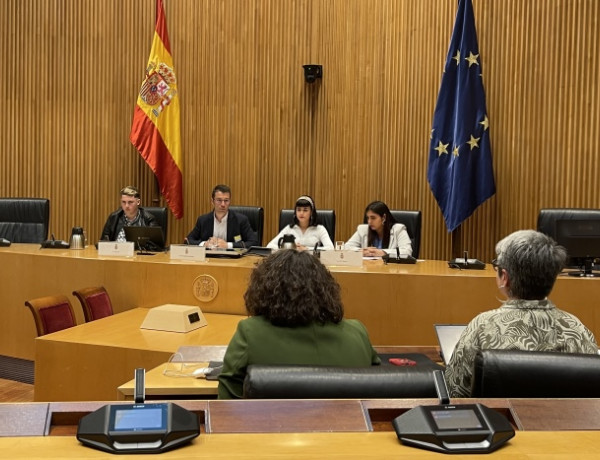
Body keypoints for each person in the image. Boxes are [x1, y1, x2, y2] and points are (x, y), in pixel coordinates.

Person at [445, 230, 598, 398]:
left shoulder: (481, 326)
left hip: (499, 422)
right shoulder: (576, 328)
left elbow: (455, 394)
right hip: (565, 423)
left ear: (505, 277)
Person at [217, 250, 381, 399]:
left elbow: (225, 404)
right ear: (326, 290)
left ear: (263, 290)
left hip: (271, 429)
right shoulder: (357, 333)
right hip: (349, 430)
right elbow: (379, 390)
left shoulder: (250, 332)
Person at [186, 184, 258, 248]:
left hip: (233, 260)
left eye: (226, 200)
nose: (223, 204)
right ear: (212, 201)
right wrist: (205, 244)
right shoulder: (203, 220)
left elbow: (254, 242)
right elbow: (188, 240)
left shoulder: (241, 220)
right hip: (209, 259)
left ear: (230, 201)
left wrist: (228, 245)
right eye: (219, 200)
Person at [345, 201, 412, 257]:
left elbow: (407, 252)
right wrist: (361, 251)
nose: (369, 222)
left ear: (383, 217)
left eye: (373, 218)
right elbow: (346, 248)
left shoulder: (398, 229)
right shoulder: (363, 229)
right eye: (368, 218)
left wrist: (383, 252)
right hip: (367, 269)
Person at [266, 195, 334, 250]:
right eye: (298, 210)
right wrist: (290, 248)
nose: (301, 213)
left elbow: (330, 249)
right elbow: (270, 246)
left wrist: (307, 249)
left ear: (311, 212)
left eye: (305, 210)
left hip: (312, 263)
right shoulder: (289, 229)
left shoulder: (320, 229)